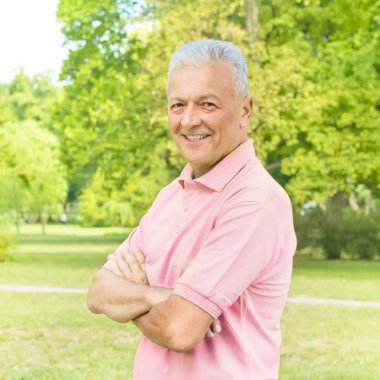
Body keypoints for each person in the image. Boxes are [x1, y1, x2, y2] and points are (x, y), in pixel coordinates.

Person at [87, 39, 297, 380]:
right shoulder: (170, 195)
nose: (188, 120)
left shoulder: (255, 201)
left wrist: (136, 302)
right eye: (177, 105)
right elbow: (98, 292)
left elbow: (180, 330)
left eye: (207, 104)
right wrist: (162, 296)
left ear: (245, 110)